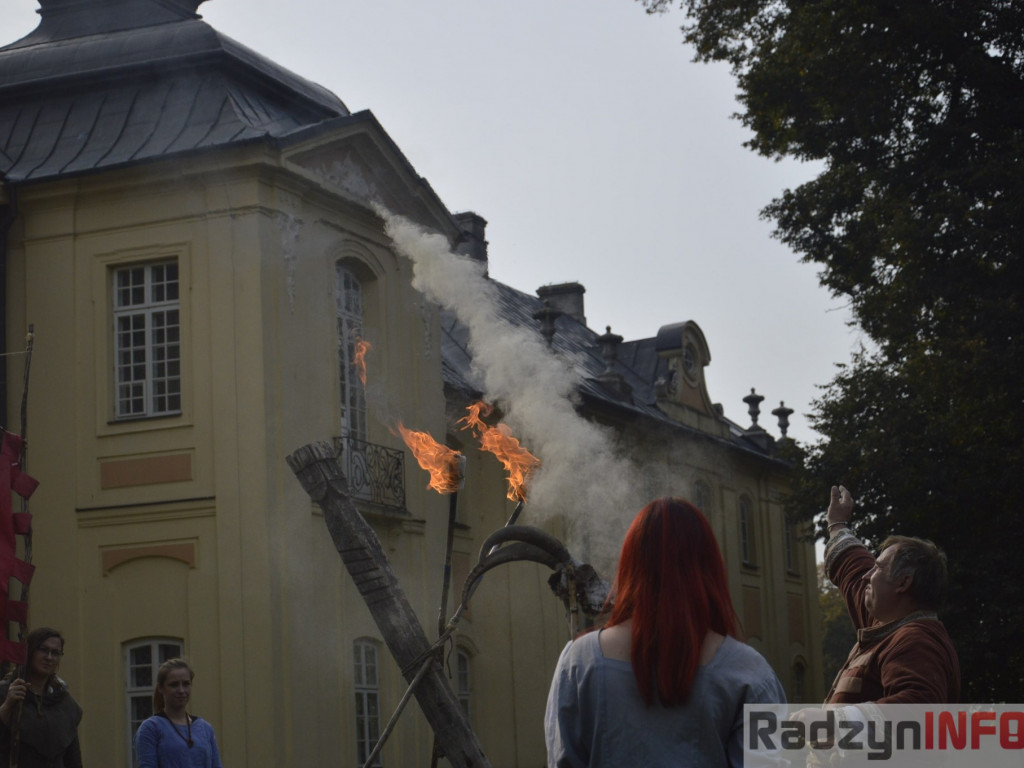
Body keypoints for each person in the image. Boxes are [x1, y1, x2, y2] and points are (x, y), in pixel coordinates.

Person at [545, 497, 786, 768]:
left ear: (631, 565)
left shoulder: (579, 661)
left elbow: (562, 760)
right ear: (709, 566)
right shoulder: (748, 671)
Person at [821, 485, 960, 705]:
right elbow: (855, 570)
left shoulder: (916, 641)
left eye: (877, 568)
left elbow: (918, 707)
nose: (867, 576)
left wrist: (831, 723)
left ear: (903, 582)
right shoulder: (886, 628)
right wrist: (836, 523)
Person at [0, 627, 83, 768]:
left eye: (55, 653)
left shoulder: (65, 704)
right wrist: (7, 706)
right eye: (43, 650)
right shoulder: (5, 693)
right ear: (30, 652)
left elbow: (73, 759)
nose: (49, 657)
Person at [134, 658, 224, 768]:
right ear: (161, 688)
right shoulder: (151, 728)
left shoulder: (205, 728)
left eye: (186, 684)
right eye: (174, 685)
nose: (181, 690)